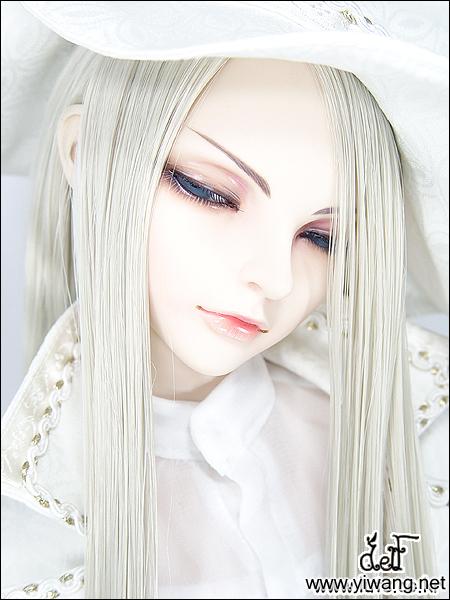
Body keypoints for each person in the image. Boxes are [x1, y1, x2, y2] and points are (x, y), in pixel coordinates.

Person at [1, 2, 448, 599]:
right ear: (87, 154)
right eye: (208, 191)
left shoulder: (422, 436)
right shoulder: (32, 534)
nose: (275, 277)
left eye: (322, 237)